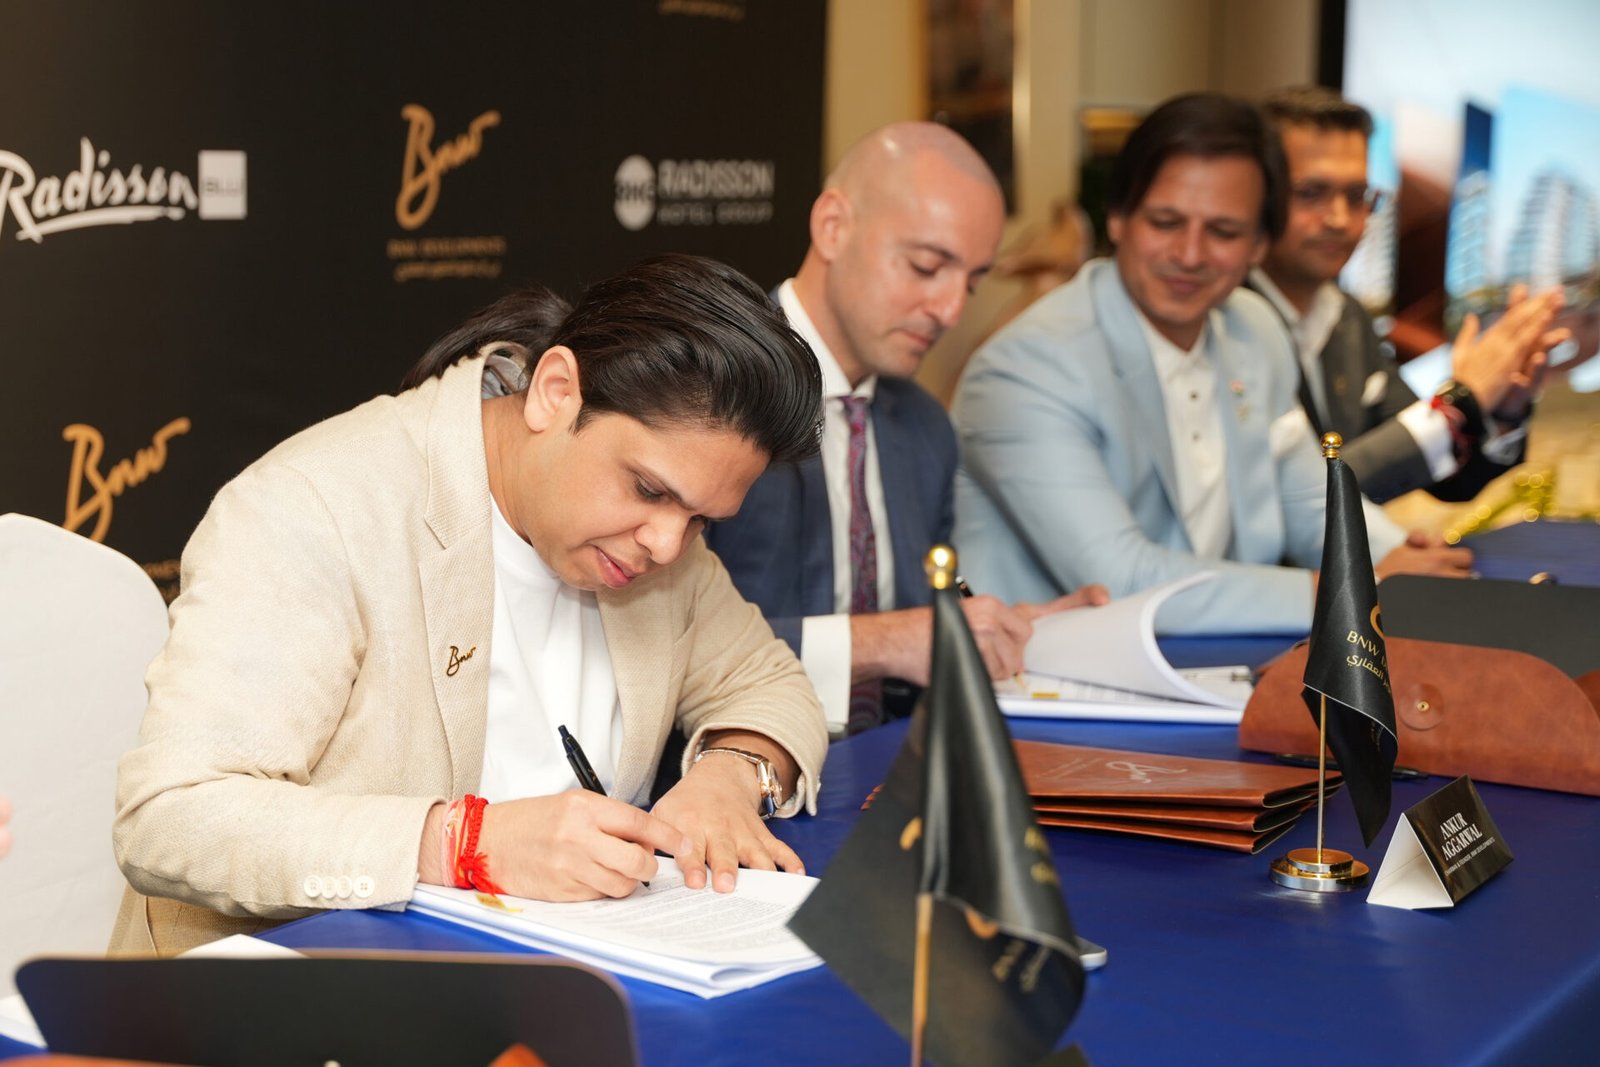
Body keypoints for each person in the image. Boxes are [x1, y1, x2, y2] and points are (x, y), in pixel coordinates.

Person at [112, 254, 829, 956]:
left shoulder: (652, 539)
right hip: (279, 990)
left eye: (702, 519)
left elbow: (768, 682)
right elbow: (172, 814)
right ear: (555, 391)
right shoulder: (313, 508)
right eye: (648, 489)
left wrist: (732, 775)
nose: (668, 545)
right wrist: (461, 843)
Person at [951, 93, 1472, 636]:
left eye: (1223, 232)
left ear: (1259, 244)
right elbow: (1121, 580)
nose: (1190, 255)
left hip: (1216, 657)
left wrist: (1402, 560)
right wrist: (1359, 587)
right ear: (1118, 219)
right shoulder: (1026, 366)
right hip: (1046, 672)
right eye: (1166, 222)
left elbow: (1307, 498)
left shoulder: (1252, 327)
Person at [705, 122, 1106, 736]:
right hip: (727, 767)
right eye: (926, 267)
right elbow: (667, 648)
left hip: (896, 760)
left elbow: (923, 635)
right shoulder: (709, 388)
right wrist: (887, 641)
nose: (951, 310)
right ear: (832, 226)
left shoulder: (924, 428)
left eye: (972, 282)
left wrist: (1005, 632)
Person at [1251, 85, 1566, 503]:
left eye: (1357, 196)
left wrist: (1501, 408)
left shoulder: (1347, 316)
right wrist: (1459, 403)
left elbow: (1439, 474)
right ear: (1255, 196)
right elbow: (1290, 502)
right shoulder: (1222, 320)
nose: (1340, 219)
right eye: (1311, 193)